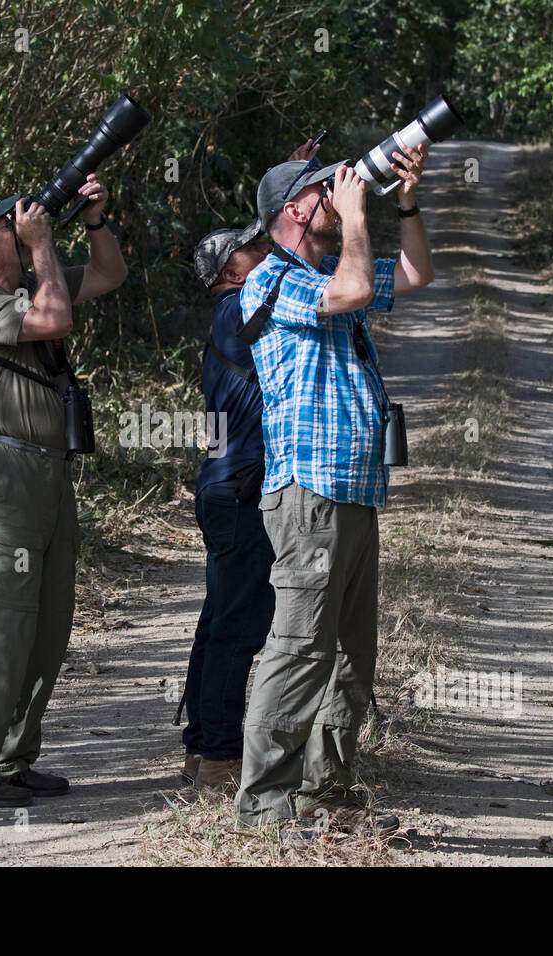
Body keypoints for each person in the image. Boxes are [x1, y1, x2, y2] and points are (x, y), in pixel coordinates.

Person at [234, 144, 434, 829]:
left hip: (354, 487)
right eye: (325, 190)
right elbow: (351, 291)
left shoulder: (328, 268)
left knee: (351, 653)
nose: (343, 193)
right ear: (292, 211)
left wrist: (403, 200)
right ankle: (263, 803)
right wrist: (354, 216)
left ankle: (327, 789)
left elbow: (413, 272)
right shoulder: (269, 280)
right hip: (308, 491)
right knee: (299, 647)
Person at [0, 174, 126, 808]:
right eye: (4, 225)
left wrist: (93, 220)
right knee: (2, 617)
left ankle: (12, 757)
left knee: (48, 622)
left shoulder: (30, 282)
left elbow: (108, 276)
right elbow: (54, 317)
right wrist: (42, 242)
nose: (17, 225)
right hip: (5, 469)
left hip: (47, 471)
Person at [180, 139, 324, 793]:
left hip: (228, 488)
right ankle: (215, 756)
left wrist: (291, 182)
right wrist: (294, 207)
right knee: (239, 624)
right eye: (248, 247)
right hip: (242, 491)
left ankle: (203, 744)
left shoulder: (241, 307)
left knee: (223, 618)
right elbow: (298, 273)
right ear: (226, 272)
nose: (258, 248)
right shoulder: (239, 308)